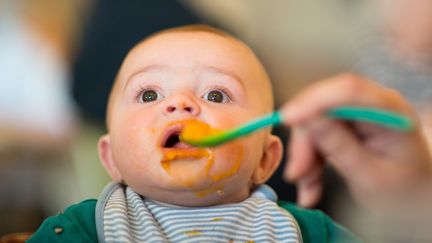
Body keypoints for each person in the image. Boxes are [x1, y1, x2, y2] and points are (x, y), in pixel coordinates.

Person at [28, 24, 432, 242]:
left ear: (266, 159)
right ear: (111, 157)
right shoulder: (83, 229)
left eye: (217, 94)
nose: (181, 103)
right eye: (150, 93)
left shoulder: (308, 232)